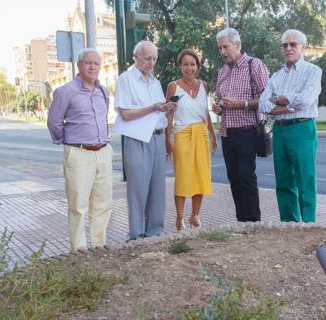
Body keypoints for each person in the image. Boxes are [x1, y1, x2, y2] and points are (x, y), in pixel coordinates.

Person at [47, 48, 113, 251]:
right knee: (78, 206)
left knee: (103, 203)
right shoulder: (65, 91)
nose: (92, 67)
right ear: (79, 65)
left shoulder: (103, 91)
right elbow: (54, 122)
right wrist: (69, 142)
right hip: (78, 153)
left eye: (96, 63)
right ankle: (79, 250)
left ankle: (99, 246)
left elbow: (103, 119)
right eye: (88, 62)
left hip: (103, 152)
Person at [113, 41, 177, 241]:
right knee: (138, 188)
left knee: (158, 188)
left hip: (157, 137)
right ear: (136, 57)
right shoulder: (126, 79)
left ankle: (155, 232)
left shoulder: (155, 82)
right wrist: (153, 108)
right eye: (148, 58)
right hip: (138, 138)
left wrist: (168, 109)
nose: (152, 62)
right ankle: (136, 234)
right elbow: (125, 114)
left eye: (154, 59)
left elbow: (158, 112)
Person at [259, 29, 322, 223]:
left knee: (305, 180)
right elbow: (263, 105)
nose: (288, 48)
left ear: (302, 47)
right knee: (284, 182)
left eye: (293, 44)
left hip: (302, 129)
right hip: (280, 131)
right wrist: (286, 105)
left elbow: (307, 99)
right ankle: (289, 225)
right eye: (284, 45)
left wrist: (279, 100)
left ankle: (308, 225)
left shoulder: (312, 71)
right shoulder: (276, 76)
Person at [212, 27, 270, 222]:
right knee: (234, 180)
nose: (222, 52)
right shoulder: (222, 72)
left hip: (247, 132)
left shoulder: (254, 65)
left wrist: (242, 104)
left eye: (226, 47)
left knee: (246, 179)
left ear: (238, 45)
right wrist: (219, 108)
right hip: (227, 133)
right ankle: (242, 222)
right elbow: (220, 99)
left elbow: (266, 99)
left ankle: (254, 223)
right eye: (220, 48)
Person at [165, 49, 218, 231]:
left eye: (192, 64)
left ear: (198, 66)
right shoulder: (174, 86)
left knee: (201, 177)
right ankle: (179, 218)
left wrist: (213, 135)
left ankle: (195, 215)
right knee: (183, 178)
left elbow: (205, 113)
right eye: (185, 64)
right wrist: (168, 140)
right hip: (183, 135)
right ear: (180, 66)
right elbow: (169, 115)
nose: (189, 68)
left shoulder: (203, 85)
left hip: (201, 134)